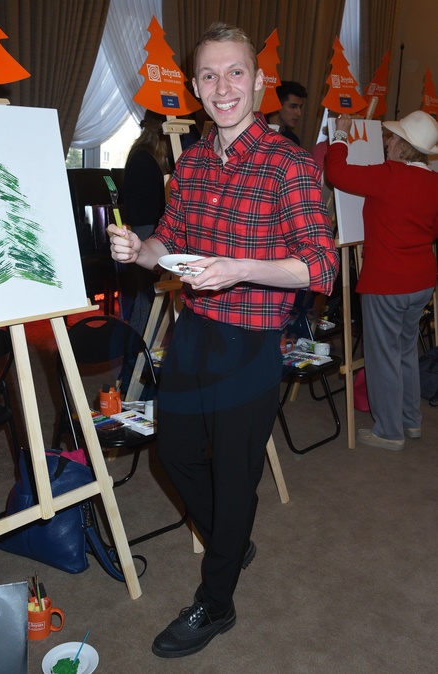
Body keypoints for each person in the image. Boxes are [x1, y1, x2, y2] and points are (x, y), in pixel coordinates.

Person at [109, 22, 339, 658]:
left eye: (236, 72)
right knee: (174, 452)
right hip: (194, 330)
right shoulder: (191, 162)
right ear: (194, 86)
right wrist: (139, 249)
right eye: (209, 75)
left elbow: (321, 265)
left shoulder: (289, 163)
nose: (223, 86)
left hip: (252, 340)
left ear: (259, 82)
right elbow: (170, 241)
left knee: (234, 473)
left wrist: (240, 268)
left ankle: (217, 601)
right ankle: (232, 540)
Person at [325, 110, 438, 451]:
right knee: (405, 350)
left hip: (388, 280)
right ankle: (410, 420)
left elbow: (336, 172)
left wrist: (340, 136)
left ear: (403, 147)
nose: (387, 142)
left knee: (383, 356)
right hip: (422, 280)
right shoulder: (434, 181)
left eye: (393, 138)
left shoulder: (390, 175)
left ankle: (389, 431)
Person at [120, 109, 172, 334]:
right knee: (147, 302)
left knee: (151, 301)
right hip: (147, 231)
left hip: (151, 228)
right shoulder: (145, 158)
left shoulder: (146, 155)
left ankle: (141, 350)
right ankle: (136, 353)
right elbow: (144, 205)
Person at [266, 80, 308, 146]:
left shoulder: (293, 140)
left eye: (300, 107)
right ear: (277, 105)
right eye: (293, 106)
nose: (299, 113)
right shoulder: (256, 128)